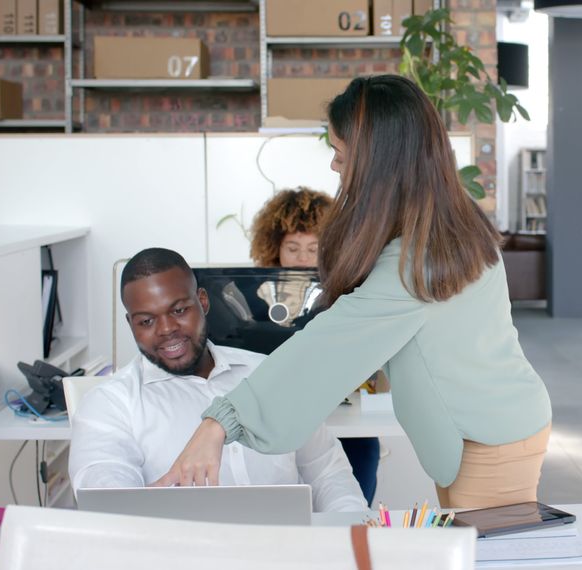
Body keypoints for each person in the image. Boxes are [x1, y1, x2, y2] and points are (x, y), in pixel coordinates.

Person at [156, 75, 553, 509]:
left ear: (377, 162)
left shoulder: (419, 261)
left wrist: (219, 424)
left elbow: (327, 346)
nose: (333, 166)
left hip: (489, 443)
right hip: (494, 429)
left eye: (339, 153)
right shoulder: (442, 229)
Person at [69, 247, 367, 513]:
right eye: (146, 321)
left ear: (203, 302)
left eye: (179, 310)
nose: (166, 329)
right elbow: (107, 497)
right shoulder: (110, 405)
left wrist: (349, 536)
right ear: (131, 324)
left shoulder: (269, 374)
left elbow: (329, 473)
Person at [249, 188, 382, 507]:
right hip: (282, 422)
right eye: (292, 248)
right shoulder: (255, 296)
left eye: (313, 248)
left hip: (345, 423)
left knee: (349, 509)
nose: (303, 259)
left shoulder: (355, 293)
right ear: (274, 249)